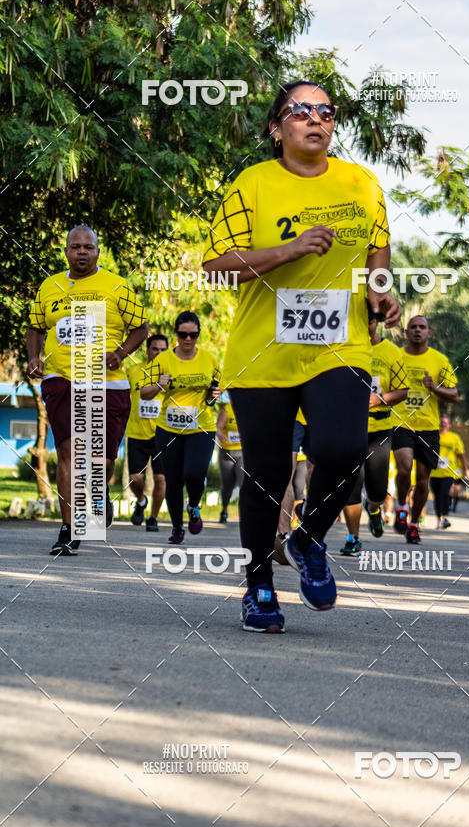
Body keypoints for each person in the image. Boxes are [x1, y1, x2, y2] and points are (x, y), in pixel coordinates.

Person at [202, 79, 400, 633]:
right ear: (275, 128)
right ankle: (259, 585)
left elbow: (376, 256)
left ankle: (308, 534)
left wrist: (381, 291)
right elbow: (216, 265)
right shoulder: (253, 184)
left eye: (326, 111)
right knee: (266, 471)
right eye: (300, 111)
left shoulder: (362, 184)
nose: (316, 119)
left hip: (339, 342)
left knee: (341, 447)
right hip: (263, 350)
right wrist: (290, 250)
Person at [26, 225, 148, 556]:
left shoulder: (117, 286)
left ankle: (98, 495)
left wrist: (120, 354)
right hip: (61, 377)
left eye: (89, 247)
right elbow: (35, 326)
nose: (82, 252)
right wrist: (34, 357)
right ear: (66, 251)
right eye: (75, 246)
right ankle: (69, 528)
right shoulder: (49, 287)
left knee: (101, 461)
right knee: (68, 451)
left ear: (98, 251)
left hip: (107, 382)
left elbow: (141, 328)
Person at [140, 311, 220, 544]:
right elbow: (144, 394)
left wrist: (215, 394)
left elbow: (215, 391)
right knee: (173, 480)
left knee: (195, 474)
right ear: (176, 334)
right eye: (183, 334)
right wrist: (157, 384)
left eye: (193, 335)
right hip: (168, 428)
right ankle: (177, 527)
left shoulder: (209, 359)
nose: (188, 339)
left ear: (198, 335)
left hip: (201, 428)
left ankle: (193, 506)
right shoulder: (163, 360)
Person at [340, 304, 407, 555]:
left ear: (376, 321)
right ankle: (352, 537)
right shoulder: (344, 348)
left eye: (368, 321)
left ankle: (375, 508)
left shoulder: (391, 352)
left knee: (377, 489)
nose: (363, 327)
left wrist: (379, 399)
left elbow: (403, 391)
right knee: (351, 485)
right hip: (350, 427)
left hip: (380, 428)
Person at [392, 316, 458, 544]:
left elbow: (455, 394)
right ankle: (401, 506)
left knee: (422, 482)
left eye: (422, 327)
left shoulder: (439, 360)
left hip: (428, 427)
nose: (418, 331)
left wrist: (435, 388)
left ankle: (413, 525)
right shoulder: (396, 356)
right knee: (403, 468)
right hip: (401, 423)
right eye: (413, 327)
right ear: (406, 332)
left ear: (430, 333)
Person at [126, 333, 169, 531]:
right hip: (136, 433)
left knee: (161, 479)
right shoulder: (133, 370)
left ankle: (153, 517)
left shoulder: (172, 373)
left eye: (163, 350)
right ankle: (141, 501)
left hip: (163, 434)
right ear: (147, 350)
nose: (159, 353)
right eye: (155, 349)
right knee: (136, 478)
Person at [273, 409, 310, 565]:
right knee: (285, 475)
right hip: (292, 416)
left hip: (320, 413)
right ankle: (284, 536)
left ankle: (310, 528)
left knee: (320, 473)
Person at [429, 414, 469, 530]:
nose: (443, 424)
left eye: (445, 423)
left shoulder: (454, 438)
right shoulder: (434, 436)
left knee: (445, 493)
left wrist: (465, 470)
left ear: (449, 425)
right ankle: (439, 519)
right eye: (441, 422)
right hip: (434, 472)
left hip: (448, 472)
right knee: (437, 496)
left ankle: (445, 517)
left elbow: (461, 455)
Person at [216, 392, 244, 524]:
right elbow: (218, 428)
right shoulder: (227, 409)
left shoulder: (247, 408)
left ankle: (243, 512)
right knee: (227, 485)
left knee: (243, 481)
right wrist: (221, 434)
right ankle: (224, 509)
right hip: (227, 452)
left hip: (242, 453)